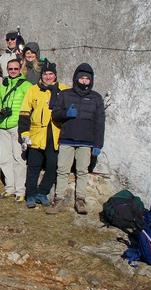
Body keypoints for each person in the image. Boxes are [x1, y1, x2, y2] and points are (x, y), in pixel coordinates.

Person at [49, 63, 105, 214]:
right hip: (67, 139)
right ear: (76, 78)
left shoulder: (96, 98)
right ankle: (58, 200)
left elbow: (100, 123)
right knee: (62, 170)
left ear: (91, 80)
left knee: (82, 171)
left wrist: (98, 144)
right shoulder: (65, 94)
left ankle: (80, 200)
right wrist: (66, 113)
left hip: (86, 142)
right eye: (82, 78)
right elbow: (55, 114)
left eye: (87, 78)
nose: (84, 81)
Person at [18, 61, 69, 208]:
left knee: (53, 166)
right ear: (42, 75)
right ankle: (31, 195)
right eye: (45, 74)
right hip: (36, 134)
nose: (48, 77)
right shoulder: (33, 90)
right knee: (33, 166)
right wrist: (24, 133)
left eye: (50, 74)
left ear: (55, 75)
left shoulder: (63, 90)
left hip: (54, 134)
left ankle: (43, 193)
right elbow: (24, 112)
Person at [0, 59, 32, 202]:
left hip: (17, 125)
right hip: (3, 125)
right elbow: (0, 102)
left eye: (15, 69)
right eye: (10, 69)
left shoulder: (26, 85)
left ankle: (20, 190)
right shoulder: (3, 85)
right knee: (4, 158)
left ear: (20, 70)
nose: (12, 71)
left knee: (19, 159)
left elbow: (30, 106)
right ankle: (9, 187)